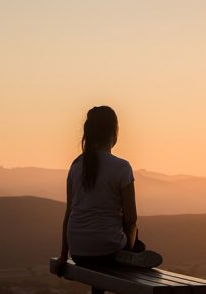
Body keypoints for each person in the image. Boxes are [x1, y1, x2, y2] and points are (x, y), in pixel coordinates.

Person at [55, 106, 162, 276]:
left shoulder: (75, 166)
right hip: (108, 251)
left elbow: (69, 213)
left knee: (127, 240)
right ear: (114, 132)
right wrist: (130, 245)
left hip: (78, 253)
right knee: (137, 241)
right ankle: (130, 254)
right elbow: (131, 219)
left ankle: (130, 253)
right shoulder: (122, 167)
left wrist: (63, 256)